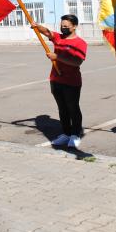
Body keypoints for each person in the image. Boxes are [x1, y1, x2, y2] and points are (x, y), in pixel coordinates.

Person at [33, 14, 88, 149]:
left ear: (74, 26)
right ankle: (66, 133)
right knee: (62, 109)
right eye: (62, 26)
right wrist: (36, 26)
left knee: (73, 109)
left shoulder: (80, 43)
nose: (63, 28)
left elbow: (77, 61)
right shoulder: (58, 38)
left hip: (71, 82)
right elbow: (47, 32)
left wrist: (57, 57)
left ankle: (75, 134)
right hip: (56, 79)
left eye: (66, 26)